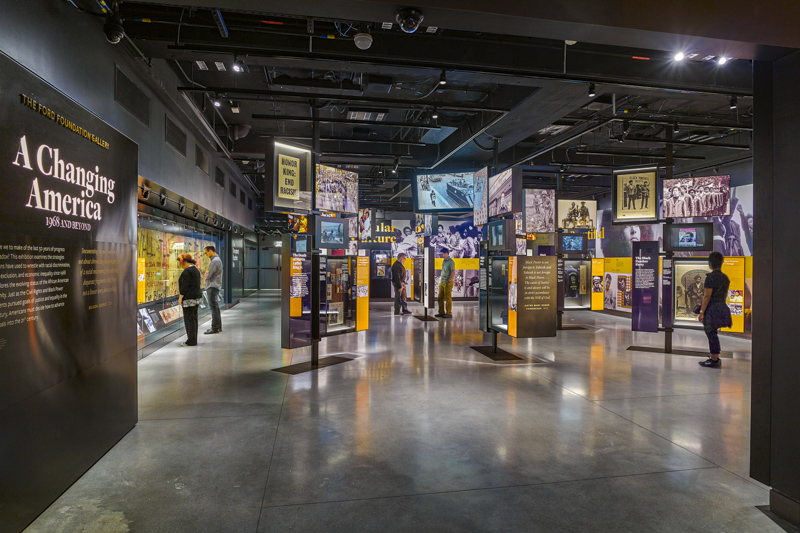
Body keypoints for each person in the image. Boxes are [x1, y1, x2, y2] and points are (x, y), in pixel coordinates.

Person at [698, 251, 733, 368]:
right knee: (714, 334)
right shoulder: (725, 278)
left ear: (710, 264)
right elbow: (725, 294)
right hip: (722, 307)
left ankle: (714, 359)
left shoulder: (710, 277)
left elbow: (707, 296)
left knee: (711, 333)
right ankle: (715, 357)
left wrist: (702, 312)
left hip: (712, 309)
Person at [178, 253, 203, 347]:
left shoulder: (186, 272)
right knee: (194, 319)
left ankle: (191, 340)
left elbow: (184, 286)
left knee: (188, 319)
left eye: (180, 263)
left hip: (189, 298)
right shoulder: (195, 270)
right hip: (196, 297)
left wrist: (180, 297)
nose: (180, 265)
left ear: (184, 262)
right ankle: (193, 339)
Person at [204, 245, 223, 334]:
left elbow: (209, 275)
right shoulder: (217, 260)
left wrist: (206, 274)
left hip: (212, 286)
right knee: (215, 308)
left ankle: (215, 327)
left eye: (206, 252)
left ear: (210, 251)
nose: (206, 254)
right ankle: (217, 327)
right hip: (215, 286)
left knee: (213, 308)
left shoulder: (215, 261)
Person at [436, 248, 456, 318]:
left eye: (442, 254)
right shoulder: (444, 261)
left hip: (448, 282)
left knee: (448, 298)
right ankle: (441, 312)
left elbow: (453, 272)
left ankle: (449, 313)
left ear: (446, 253)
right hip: (442, 282)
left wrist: (449, 281)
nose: (441, 255)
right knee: (440, 298)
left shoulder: (451, 262)